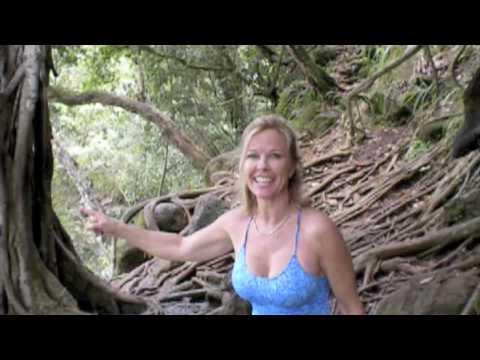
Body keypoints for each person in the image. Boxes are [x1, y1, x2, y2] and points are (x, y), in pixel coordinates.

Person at [81, 114, 365, 315]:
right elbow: (180, 247)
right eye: (253, 156)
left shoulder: (317, 230)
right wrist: (117, 228)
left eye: (275, 156)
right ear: (243, 166)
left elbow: (352, 307)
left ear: (291, 167)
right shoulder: (237, 223)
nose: (262, 165)